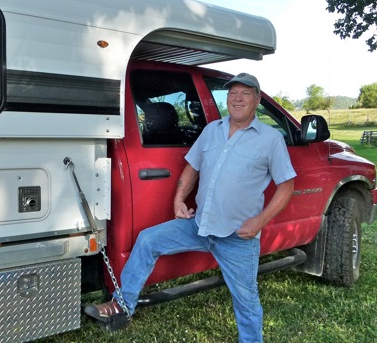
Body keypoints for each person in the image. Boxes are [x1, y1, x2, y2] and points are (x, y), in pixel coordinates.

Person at [84, 73, 296, 342]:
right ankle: (121, 306)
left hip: (237, 236)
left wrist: (259, 222)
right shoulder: (212, 130)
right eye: (233, 93)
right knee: (148, 239)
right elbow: (192, 166)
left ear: (257, 99)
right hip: (199, 225)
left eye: (245, 93)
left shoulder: (270, 139)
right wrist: (178, 200)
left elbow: (286, 185)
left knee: (247, 300)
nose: (237, 98)